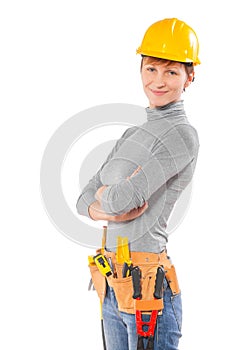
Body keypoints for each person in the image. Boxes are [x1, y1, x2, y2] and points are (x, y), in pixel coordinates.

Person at [76, 17, 200, 350]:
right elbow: (83, 198)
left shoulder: (182, 135)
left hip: (148, 289)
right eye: (151, 69)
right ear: (141, 70)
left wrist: (107, 200)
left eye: (171, 71)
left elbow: (120, 197)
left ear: (190, 76)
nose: (158, 81)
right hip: (112, 283)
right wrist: (111, 210)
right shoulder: (133, 134)